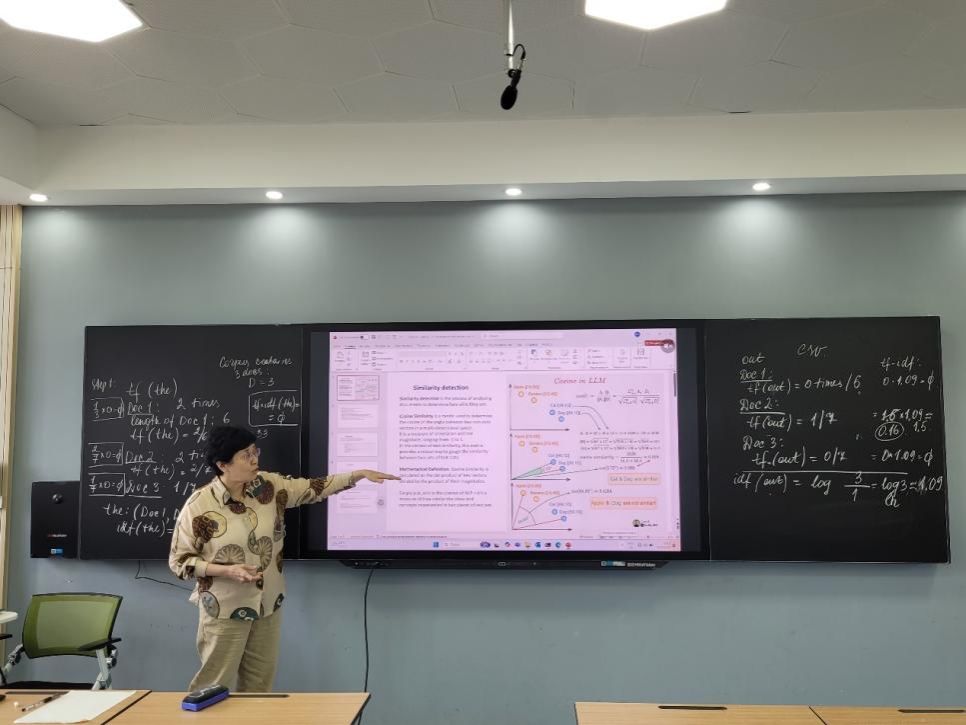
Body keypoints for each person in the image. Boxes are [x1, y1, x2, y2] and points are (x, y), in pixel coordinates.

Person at [169, 425, 399, 692]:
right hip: (224, 609)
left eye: (255, 451)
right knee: (213, 687)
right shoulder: (199, 506)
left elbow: (313, 488)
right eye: (245, 455)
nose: (254, 459)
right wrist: (226, 571)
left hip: (267, 605)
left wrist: (357, 475)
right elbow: (179, 562)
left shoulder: (268, 486)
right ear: (223, 465)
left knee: (259, 687)